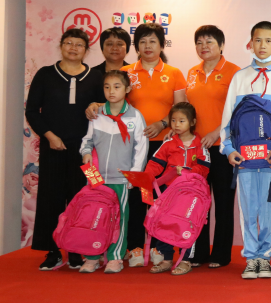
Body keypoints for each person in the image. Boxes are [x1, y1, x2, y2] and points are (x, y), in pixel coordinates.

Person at [88, 23, 187, 268]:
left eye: (153, 41)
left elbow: (180, 108)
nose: (148, 46)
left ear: (162, 45)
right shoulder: (126, 72)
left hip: (164, 145)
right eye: (142, 42)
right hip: (129, 147)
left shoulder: (174, 73)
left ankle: (159, 247)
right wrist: (94, 105)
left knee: (159, 197)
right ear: (137, 47)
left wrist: (163, 123)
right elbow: (113, 101)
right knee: (134, 197)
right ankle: (133, 247)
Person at [221, 21, 271, 280]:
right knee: (248, 208)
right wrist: (228, 148)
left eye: (268, 40)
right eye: (257, 40)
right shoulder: (240, 77)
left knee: (269, 209)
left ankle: (264, 257)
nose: (262, 45)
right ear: (250, 43)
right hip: (244, 158)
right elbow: (228, 117)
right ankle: (251, 256)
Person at [26, 29, 105, 270]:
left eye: (79, 45)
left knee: (82, 198)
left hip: (86, 152)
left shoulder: (96, 77)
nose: (73, 48)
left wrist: (98, 104)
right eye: (69, 43)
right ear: (61, 46)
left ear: (86, 50)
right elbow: (32, 111)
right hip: (54, 147)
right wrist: (49, 136)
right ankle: (52, 251)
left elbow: (108, 106)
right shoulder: (45, 74)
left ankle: (77, 250)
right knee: (51, 198)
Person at [77, 70, 148, 273]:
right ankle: (92, 256)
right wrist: (85, 153)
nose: (111, 91)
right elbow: (87, 140)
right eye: (107, 87)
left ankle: (115, 257)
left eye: (117, 87)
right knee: (94, 216)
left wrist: (134, 174)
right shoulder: (97, 114)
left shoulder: (135, 116)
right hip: (95, 177)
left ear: (127, 89)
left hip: (121, 178)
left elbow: (141, 148)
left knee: (120, 218)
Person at [185, 25, 241, 268]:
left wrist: (217, 132)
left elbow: (239, 110)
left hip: (223, 148)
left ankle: (220, 254)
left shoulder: (234, 72)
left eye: (209, 41)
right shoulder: (192, 72)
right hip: (196, 150)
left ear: (221, 45)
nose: (203, 46)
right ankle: (197, 253)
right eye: (199, 42)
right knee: (197, 202)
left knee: (223, 203)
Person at [143, 102, 211, 275]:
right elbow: (154, 163)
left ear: (192, 122)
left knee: (188, 225)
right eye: (173, 120)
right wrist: (146, 177)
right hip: (169, 193)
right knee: (164, 223)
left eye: (181, 121)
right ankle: (167, 259)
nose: (176, 125)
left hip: (191, 195)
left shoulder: (201, 144)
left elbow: (204, 168)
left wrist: (188, 172)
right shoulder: (168, 143)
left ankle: (186, 260)